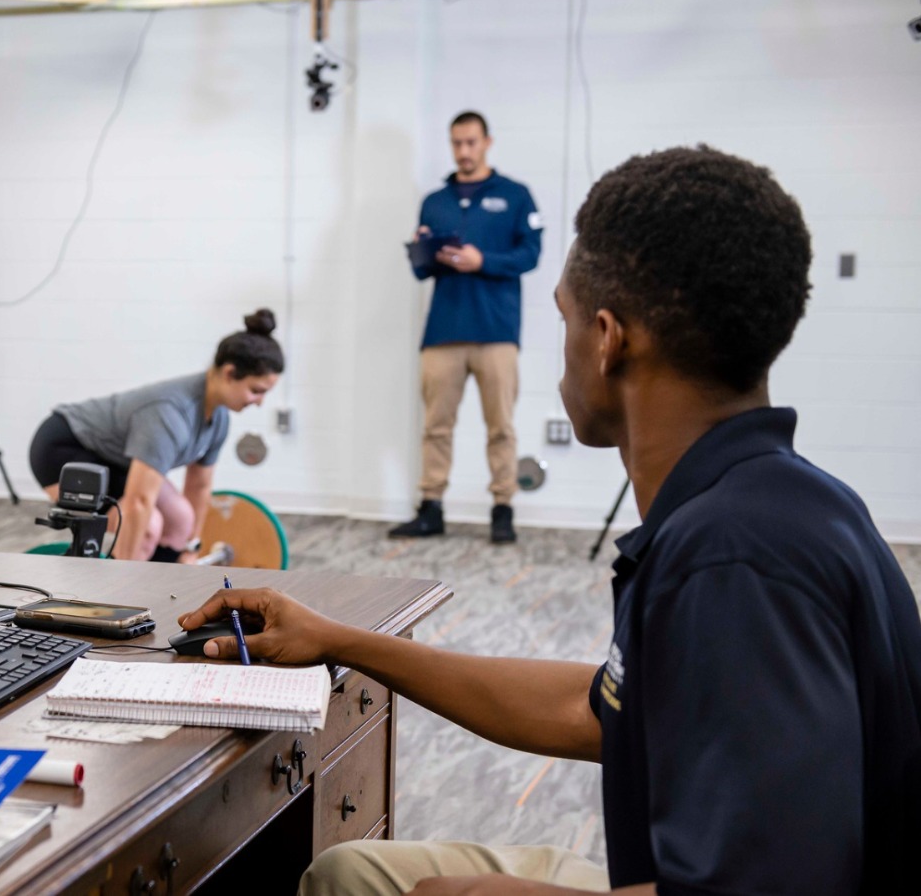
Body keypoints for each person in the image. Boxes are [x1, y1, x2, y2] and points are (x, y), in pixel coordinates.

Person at [180, 146, 921, 894]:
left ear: (605, 340)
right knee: (350, 870)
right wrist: (340, 640)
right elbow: (596, 709)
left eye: (563, 318)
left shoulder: (731, 561)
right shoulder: (781, 501)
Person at [394, 111, 542, 544]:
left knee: (501, 427)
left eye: (471, 142)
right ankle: (431, 507)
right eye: (456, 143)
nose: (463, 151)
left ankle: (502, 509)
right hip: (443, 331)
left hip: (496, 332)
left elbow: (530, 254)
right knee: (436, 426)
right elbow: (421, 273)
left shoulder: (515, 196)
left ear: (487, 142)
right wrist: (424, 251)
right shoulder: (435, 200)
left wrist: (484, 262)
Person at [28, 310, 283, 562]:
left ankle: (160, 589)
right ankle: (120, 590)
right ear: (229, 374)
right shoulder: (169, 414)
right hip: (63, 449)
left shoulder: (218, 419)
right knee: (149, 525)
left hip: (114, 457)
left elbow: (199, 486)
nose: (260, 402)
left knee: (181, 519)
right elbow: (139, 502)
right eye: (256, 391)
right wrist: (122, 579)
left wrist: (190, 550)